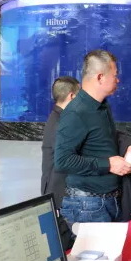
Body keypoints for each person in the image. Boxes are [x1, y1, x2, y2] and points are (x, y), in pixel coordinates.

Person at [54, 50, 131, 224]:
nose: (118, 80)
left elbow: (106, 138)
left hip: (110, 199)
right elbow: (62, 161)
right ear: (100, 77)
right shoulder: (76, 113)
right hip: (87, 205)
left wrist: (130, 145)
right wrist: (108, 164)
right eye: (115, 75)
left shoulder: (102, 107)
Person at [41, 76, 80, 209]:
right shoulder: (60, 123)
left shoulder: (60, 118)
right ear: (72, 96)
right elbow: (68, 159)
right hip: (60, 194)